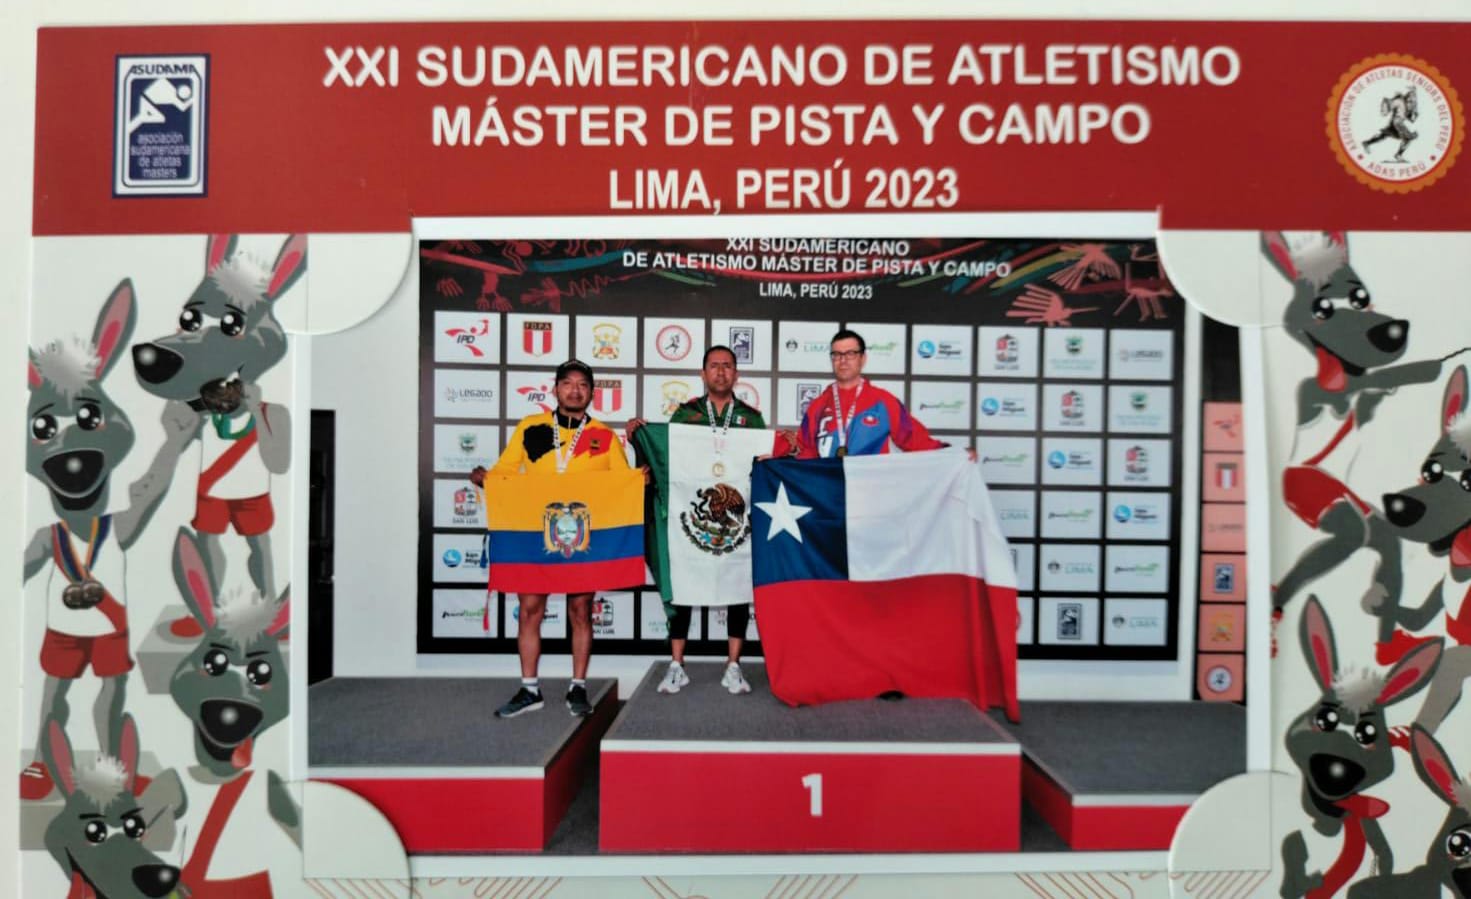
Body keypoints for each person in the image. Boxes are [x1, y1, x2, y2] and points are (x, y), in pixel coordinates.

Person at [626, 345, 796, 696]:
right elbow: (665, 459)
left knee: (737, 585)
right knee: (681, 583)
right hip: (689, 519)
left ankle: (734, 666)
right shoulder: (685, 414)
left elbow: (763, 464)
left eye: (727, 366)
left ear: (736, 374)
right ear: (703, 374)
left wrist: (787, 445)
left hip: (738, 524)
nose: (721, 371)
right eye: (714, 366)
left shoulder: (751, 418)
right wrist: (639, 435)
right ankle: (677, 665)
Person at [471, 359, 629, 718]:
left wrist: (640, 481)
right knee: (530, 610)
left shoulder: (603, 435)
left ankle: (578, 687)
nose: (575, 390)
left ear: (592, 393)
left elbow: (621, 482)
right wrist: (486, 478)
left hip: (582, 536)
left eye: (583, 385)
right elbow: (506, 470)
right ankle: (530, 689)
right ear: (555, 389)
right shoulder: (531, 427)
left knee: (581, 611)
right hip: (536, 533)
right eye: (568, 383)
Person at [798, 328, 976, 461]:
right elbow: (804, 452)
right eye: (837, 355)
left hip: (871, 492)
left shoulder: (883, 401)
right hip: (828, 492)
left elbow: (915, 440)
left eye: (850, 354)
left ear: (863, 358)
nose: (843, 360)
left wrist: (954, 454)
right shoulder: (817, 406)